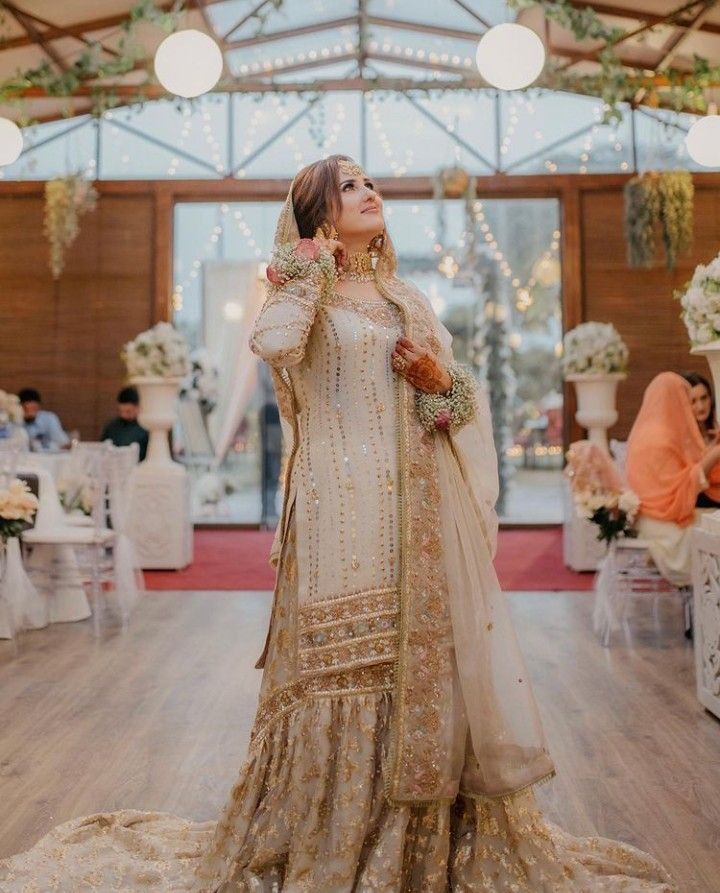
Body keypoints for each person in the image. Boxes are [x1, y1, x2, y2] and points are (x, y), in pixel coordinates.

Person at [0, 157, 676, 890]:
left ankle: (420, 841)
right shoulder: (302, 290)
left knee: (413, 661)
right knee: (345, 668)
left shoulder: (405, 296)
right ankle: (334, 833)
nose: (370, 191)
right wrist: (309, 268)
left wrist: (438, 381)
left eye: (369, 181)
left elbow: (459, 403)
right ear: (319, 213)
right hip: (336, 507)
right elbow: (274, 346)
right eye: (349, 186)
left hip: (413, 510)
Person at [626, 371, 720, 586]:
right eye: (689, 400)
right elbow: (680, 485)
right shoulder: (663, 438)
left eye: (704, 398)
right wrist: (713, 455)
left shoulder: (652, 433)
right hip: (668, 517)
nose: (697, 407)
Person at [101, 386, 149, 461]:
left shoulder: (146, 427)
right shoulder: (111, 427)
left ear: (138, 407)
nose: (124, 415)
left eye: (128, 412)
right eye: (121, 411)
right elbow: (102, 450)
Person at [18, 387, 69, 452]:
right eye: (26, 409)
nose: (31, 413)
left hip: (47, 456)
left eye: (34, 408)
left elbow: (62, 442)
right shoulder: (14, 420)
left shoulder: (49, 418)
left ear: (39, 406)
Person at [681, 370, 716, 444]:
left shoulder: (716, 431)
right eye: (693, 401)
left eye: (704, 398)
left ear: (710, 398)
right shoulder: (680, 439)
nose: (701, 407)